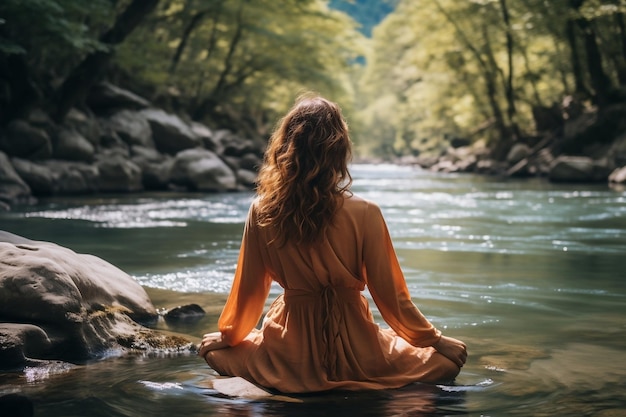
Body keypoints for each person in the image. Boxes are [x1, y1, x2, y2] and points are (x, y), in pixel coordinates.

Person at [198, 94, 467, 393]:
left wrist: (229, 336)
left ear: (285, 147)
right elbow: (392, 299)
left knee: (212, 351)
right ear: (339, 151)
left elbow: (249, 292)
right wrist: (436, 340)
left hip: (289, 354)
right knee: (448, 362)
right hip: (360, 351)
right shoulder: (366, 212)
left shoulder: (262, 210)